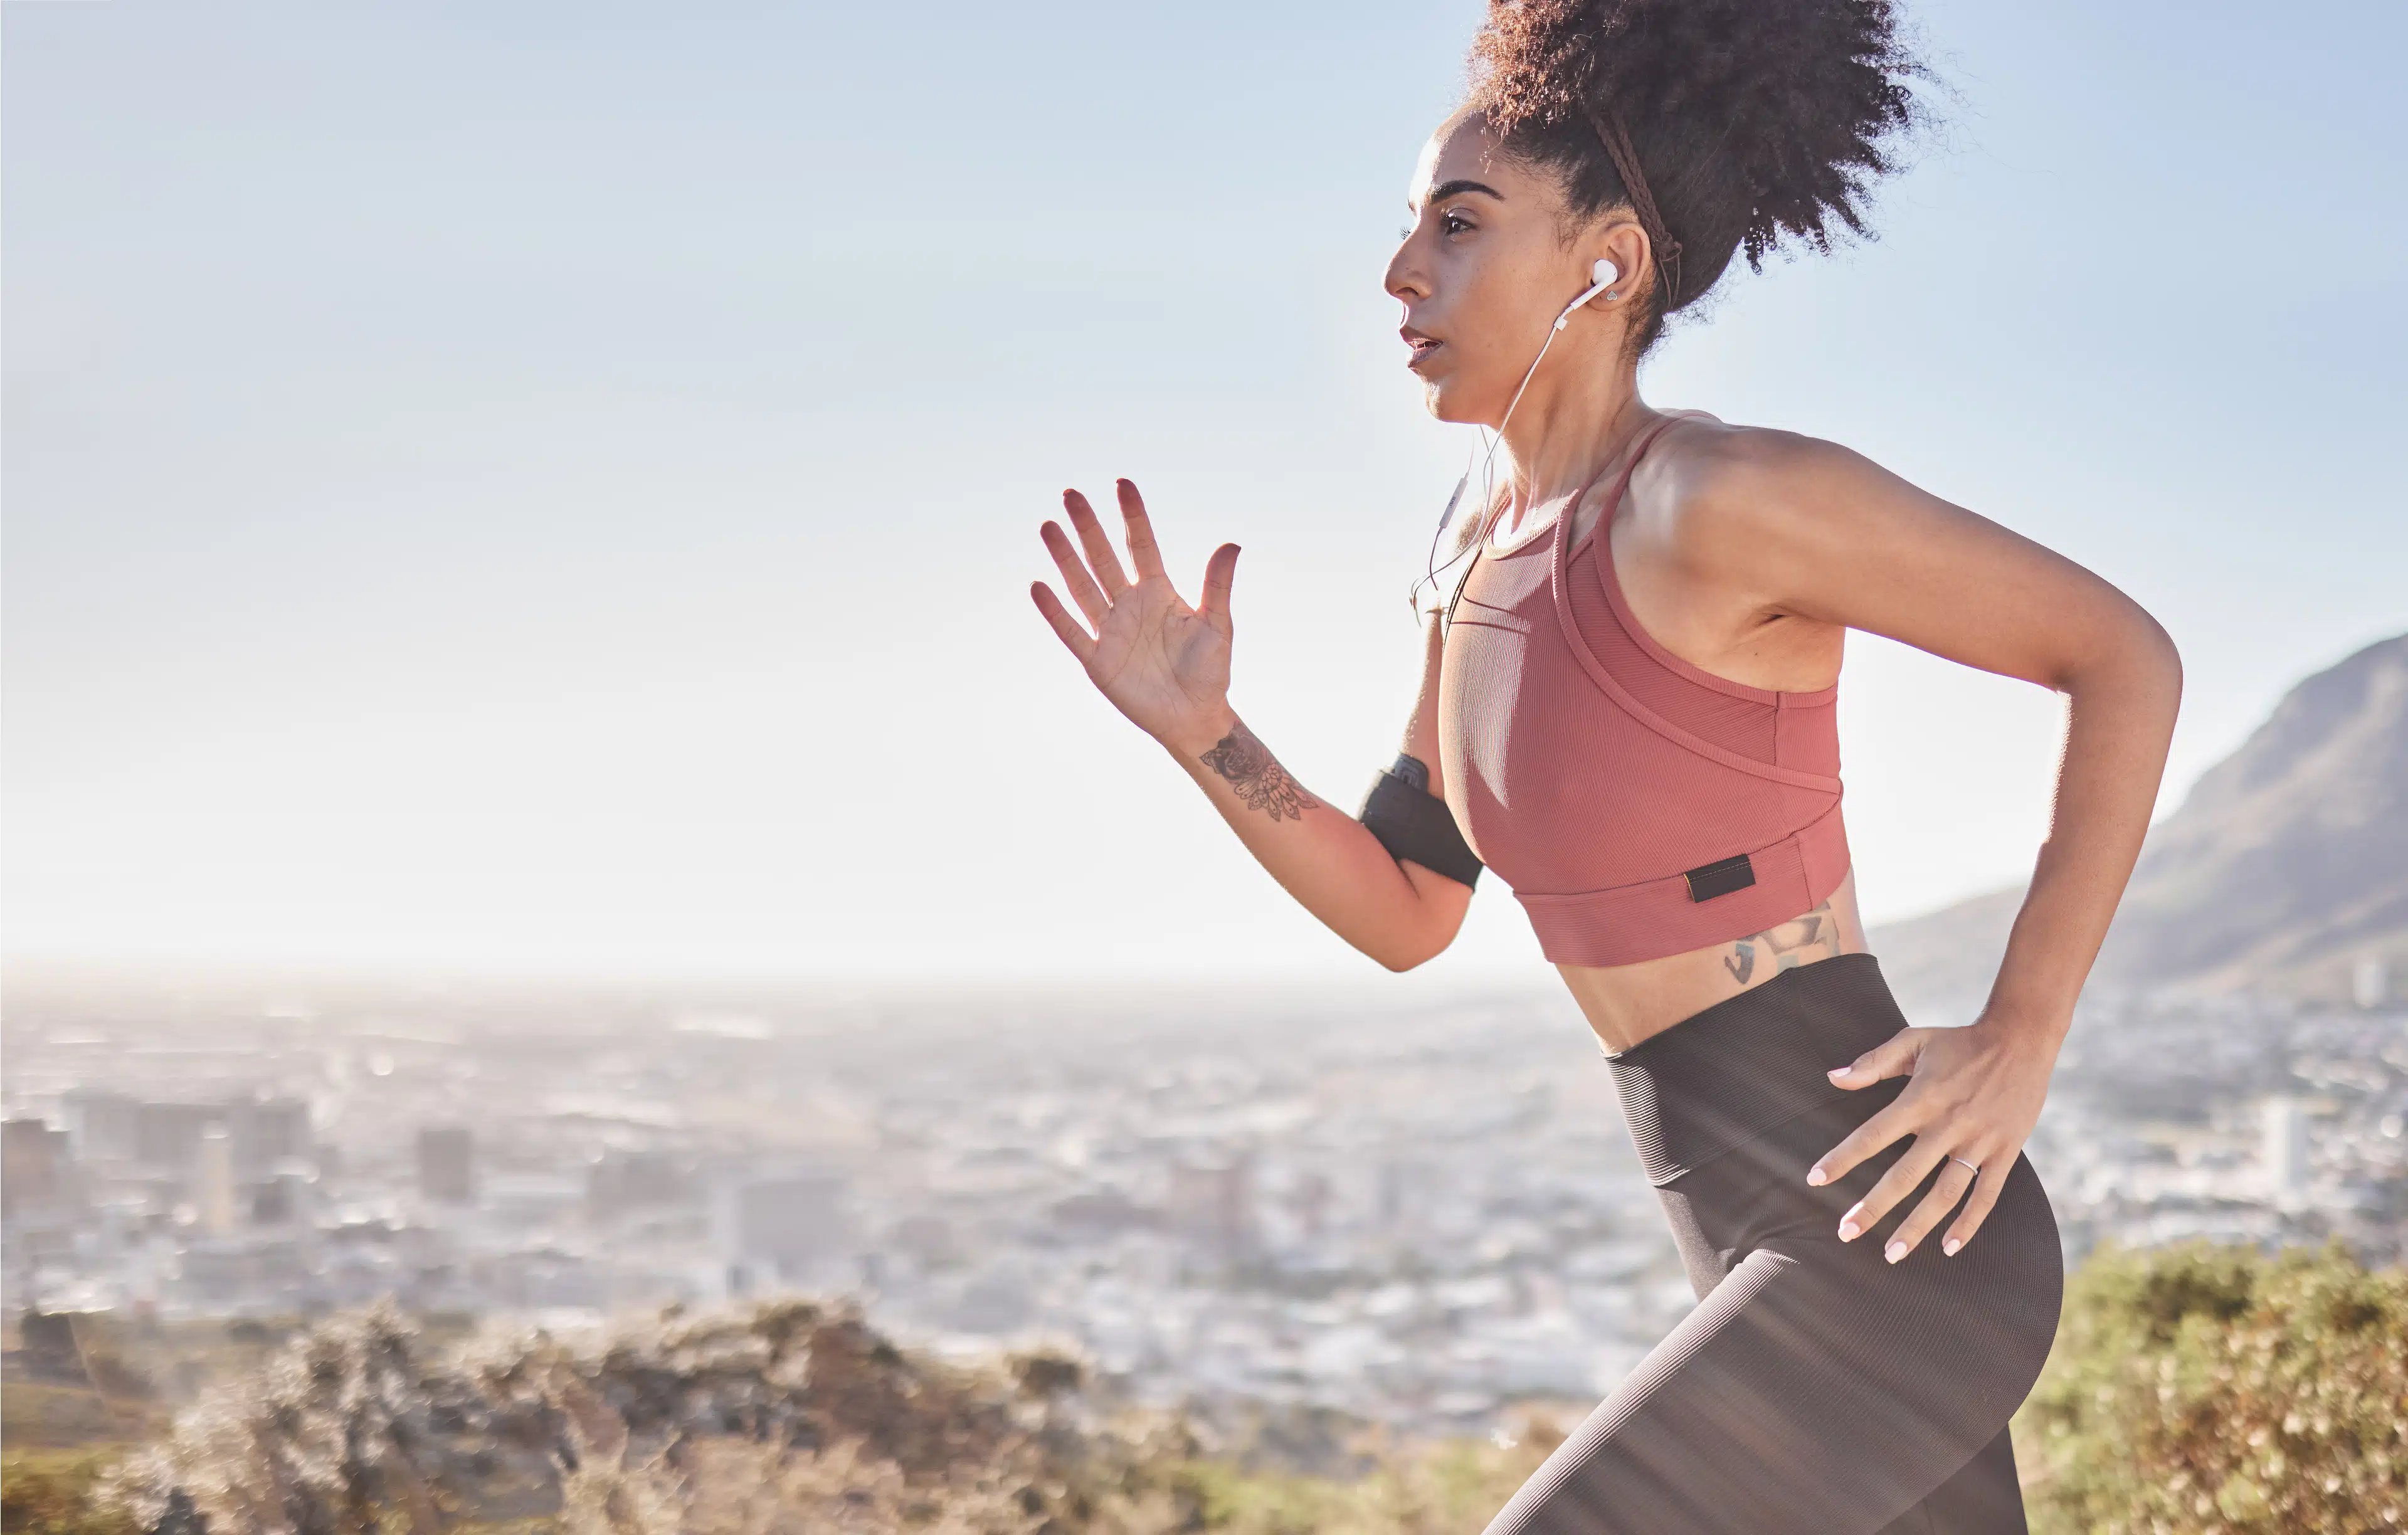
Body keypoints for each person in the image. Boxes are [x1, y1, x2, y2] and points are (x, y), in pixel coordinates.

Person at [1028, 0, 2182, 1528]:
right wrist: (1204, 735)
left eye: (1458, 224)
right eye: (1409, 227)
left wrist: (2022, 1034)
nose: (1399, 271)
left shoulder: (1719, 498)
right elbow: (1405, 907)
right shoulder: (1472, 551)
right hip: (1733, 1217)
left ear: (1608, 261)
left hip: (1890, 1236)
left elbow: (2121, 657)